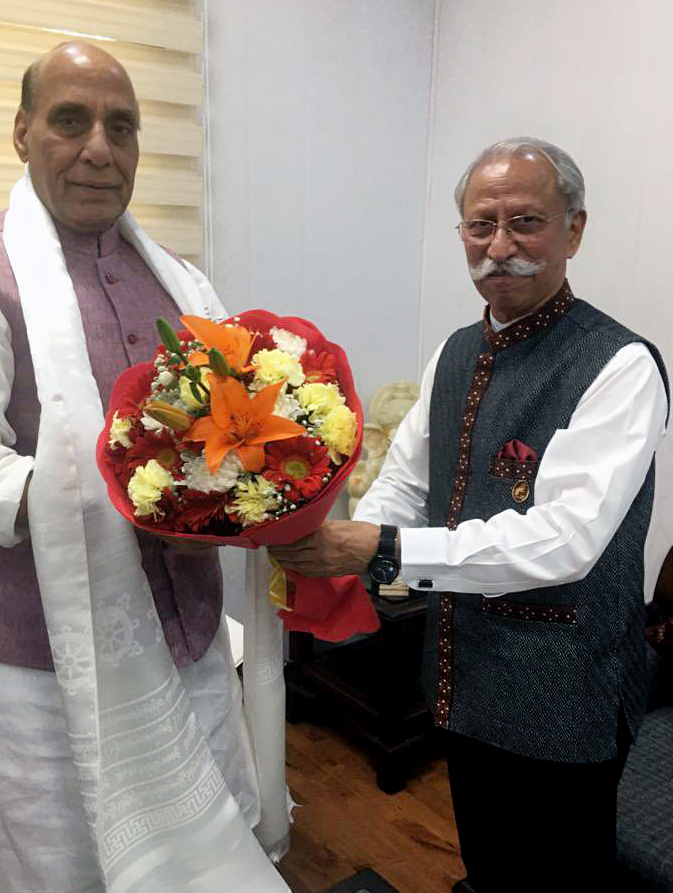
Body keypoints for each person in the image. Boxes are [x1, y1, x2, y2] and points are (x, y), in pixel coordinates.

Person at [0, 42, 289, 893]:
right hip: (32, 674)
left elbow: (234, 429)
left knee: (199, 861)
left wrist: (240, 494)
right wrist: (148, 506)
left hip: (188, 650)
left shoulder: (184, 286)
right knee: (53, 870)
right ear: (21, 133)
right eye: (70, 120)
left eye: (122, 126)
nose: (98, 148)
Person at [271, 137, 669, 893]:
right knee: (488, 860)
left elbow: (564, 543)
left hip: (566, 689)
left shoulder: (621, 364)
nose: (500, 246)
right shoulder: (456, 351)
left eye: (526, 222)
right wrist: (336, 539)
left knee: (561, 878)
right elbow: (404, 478)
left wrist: (382, 549)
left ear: (573, 231)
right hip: (463, 670)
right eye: (480, 225)